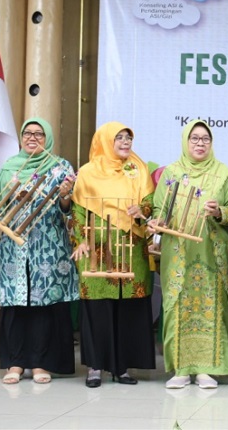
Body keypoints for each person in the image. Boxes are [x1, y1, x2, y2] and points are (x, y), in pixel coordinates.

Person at [150, 120, 228, 389]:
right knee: (178, 304)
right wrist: (158, 221)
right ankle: (180, 369)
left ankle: (207, 369)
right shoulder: (171, 173)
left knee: (212, 305)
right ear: (185, 141)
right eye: (195, 138)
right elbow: (158, 209)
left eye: (205, 139)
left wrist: (219, 211)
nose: (200, 143)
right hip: (179, 253)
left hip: (213, 253)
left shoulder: (223, 173)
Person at [0, 119, 79, 384]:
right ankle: (15, 363)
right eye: (27, 133)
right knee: (15, 304)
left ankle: (41, 363)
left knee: (44, 305)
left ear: (47, 138)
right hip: (14, 246)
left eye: (39, 134)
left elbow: (69, 211)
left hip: (49, 246)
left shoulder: (60, 167)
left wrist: (65, 196)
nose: (32, 137)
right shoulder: (9, 167)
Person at [72, 121, 156, 387]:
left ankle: (122, 367)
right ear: (105, 141)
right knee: (98, 308)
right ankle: (95, 367)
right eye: (118, 137)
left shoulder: (138, 168)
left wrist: (142, 211)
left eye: (128, 138)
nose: (125, 142)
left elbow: (150, 204)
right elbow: (77, 211)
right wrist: (80, 240)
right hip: (97, 248)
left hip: (132, 246)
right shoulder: (88, 172)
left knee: (128, 309)